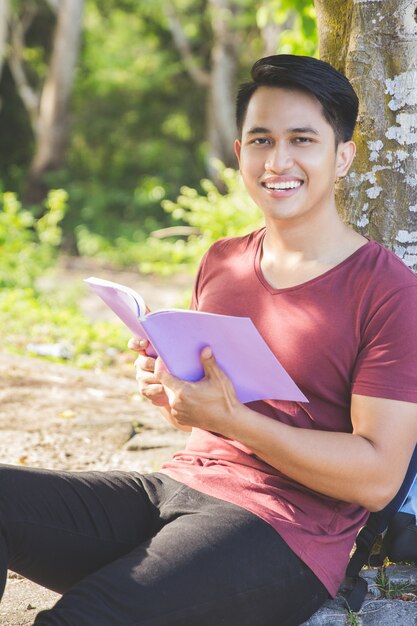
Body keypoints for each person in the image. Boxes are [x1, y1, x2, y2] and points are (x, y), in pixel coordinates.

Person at [1, 55, 417, 626]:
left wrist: (235, 420)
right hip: (178, 485)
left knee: (81, 618)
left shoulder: (390, 291)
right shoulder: (223, 261)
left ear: (342, 156)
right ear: (240, 153)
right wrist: (171, 388)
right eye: (261, 139)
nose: (279, 160)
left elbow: (376, 478)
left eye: (303, 139)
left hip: (284, 532)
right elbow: (207, 413)